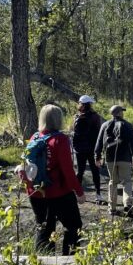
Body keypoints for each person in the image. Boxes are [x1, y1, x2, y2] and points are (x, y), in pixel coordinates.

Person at [16, 104, 85, 255]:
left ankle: (41, 264)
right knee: (73, 226)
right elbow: (68, 170)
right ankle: (70, 262)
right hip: (59, 192)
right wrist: (79, 192)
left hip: (36, 192)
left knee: (44, 228)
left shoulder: (34, 137)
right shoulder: (60, 139)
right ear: (58, 119)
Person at [94, 104, 133, 216]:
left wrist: (97, 157)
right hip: (125, 158)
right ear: (119, 113)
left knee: (113, 182)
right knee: (127, 182)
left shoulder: (105, 125)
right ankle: (128, 204)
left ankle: (112, 208)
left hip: (110, 159)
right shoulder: (128, 125)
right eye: (122, 111)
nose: (123, 113)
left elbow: (99, 142)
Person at [71, 95, 104, 204]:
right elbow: (99, 133)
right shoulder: (95, 117)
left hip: (80, 149)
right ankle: (98, 194)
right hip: (92, 148)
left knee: (80, 172)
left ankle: (78, 194)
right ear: (90, 104)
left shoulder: (77, 117)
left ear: (82, 104)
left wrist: (75, 146)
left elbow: (74, 133)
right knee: (95, 171)